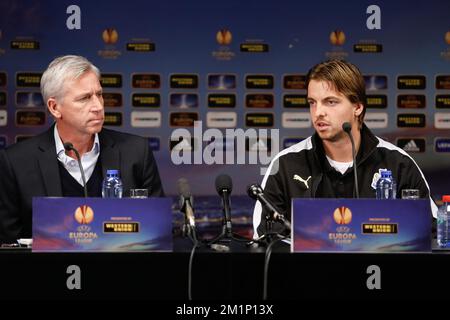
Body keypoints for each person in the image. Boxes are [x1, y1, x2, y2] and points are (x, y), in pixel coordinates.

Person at [253, 60, 437, 237]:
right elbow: (264, 239)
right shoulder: (285, 165)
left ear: (357, 107)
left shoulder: (398, 163)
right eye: (312, 102)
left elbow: (432, 231)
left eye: (330, 102)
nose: (318, 112)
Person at [0, 55, 164, 243]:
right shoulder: (16, 162)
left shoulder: (136, 152)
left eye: (99, 95)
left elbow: (157, 235)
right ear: (54, 107)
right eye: (84, 98)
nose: (98, 106)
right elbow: (8, 249)